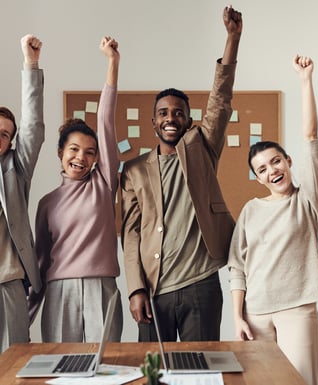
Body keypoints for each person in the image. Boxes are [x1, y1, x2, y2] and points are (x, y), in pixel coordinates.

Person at [120, 6, 242, 342]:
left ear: (188, 121)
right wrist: (135, 290)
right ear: (154, 122)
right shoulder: (133, 170)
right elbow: (130, 235)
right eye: (163, 113)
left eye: (178, 113)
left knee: (199, 371)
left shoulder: (202, 148)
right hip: (154, 288)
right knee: (152, 371)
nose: (170, 117)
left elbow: (220, 99)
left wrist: (233, 39)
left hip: (200, 284)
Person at [228, 55, 318, 385]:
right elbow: (237, 267)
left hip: (297, 311)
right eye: (262, 169)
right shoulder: (250, 211)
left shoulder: (306, 201)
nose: (272, 171)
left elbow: (311, 137)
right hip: (255, 315)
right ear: (257, 177)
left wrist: (305, 81)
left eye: (276, 161)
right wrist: (238, 316)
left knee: (301, 382)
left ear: (288, 161)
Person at [28, 36, 123, 342]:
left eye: (90, 152)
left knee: (107, 367)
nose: (81, 157)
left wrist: (112, 63)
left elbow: (105, 121)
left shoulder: (104, 183)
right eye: (73, 149)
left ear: (97, 158)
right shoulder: (47, 203)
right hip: (59, 292)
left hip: (102, 288)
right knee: (60, 368)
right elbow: (41, 262)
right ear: (60, 152)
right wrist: (25, 316)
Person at [0, 34, 44, 353]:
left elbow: (32, 128)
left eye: (4, 134)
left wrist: (30, 64)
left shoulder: (15, 170)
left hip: (8, 287)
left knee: (12, 366)